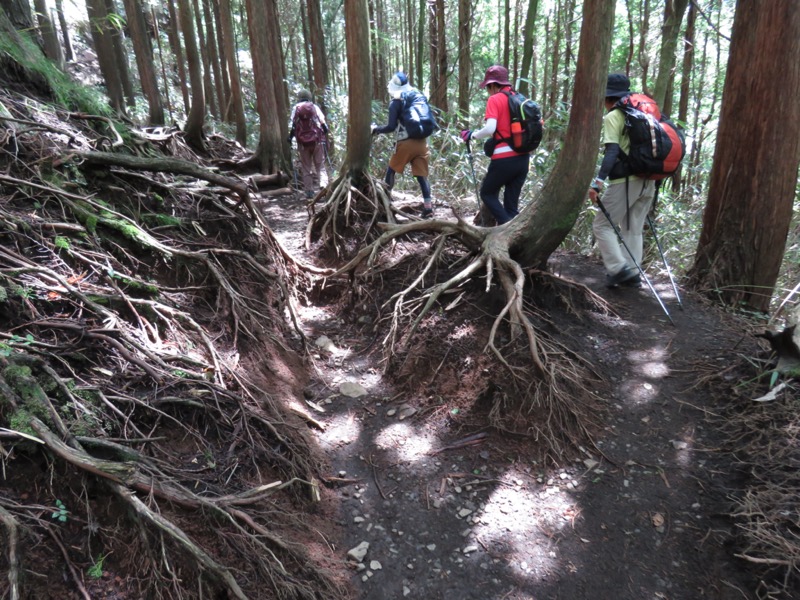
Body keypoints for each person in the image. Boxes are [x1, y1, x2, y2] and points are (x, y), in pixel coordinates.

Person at [587, 73, 656, 288]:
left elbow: (612, 152)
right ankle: (633, 273)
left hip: (626, 181)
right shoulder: (643, 113)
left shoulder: (614, 116)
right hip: (649, 179)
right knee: (632, 227)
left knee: (601, 225)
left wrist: (598, 181)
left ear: (607, 97)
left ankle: (618, 269)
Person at [460, 65, 531, 225]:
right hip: (523, 159)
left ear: (493, 85)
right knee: (511, 207)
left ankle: (505, 227)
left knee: (487, 193)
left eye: (487, 87)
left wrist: (472, 135)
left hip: (504, 159)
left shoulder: (495, 99)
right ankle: (512, 236)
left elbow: (491, 128)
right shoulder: (519, 98)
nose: (487, 90)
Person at [371, 72, 435, 219]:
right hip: (422, 143)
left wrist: (375, 130)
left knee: (391, 171)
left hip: (405, 144)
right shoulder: (416, 96)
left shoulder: (396, 102)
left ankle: (385, 204)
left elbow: (391, 127)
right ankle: (428, 208)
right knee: (422, 176)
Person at [288, 89, 329, 199]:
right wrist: (324, 134)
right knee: (320, 166)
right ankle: (323, 185)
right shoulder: (314, 107)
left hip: (302, 144)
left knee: (306, 168)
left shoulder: (296, 108)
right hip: (317, 142)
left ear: (299, 97)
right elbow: (324, 125)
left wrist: (290, 138)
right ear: (309, 97)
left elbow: (293, 126)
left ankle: (309, 192)